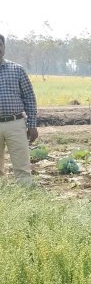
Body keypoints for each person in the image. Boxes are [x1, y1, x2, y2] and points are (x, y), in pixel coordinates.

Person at [0, 34, 38, 186]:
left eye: (0, 44)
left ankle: (26, 195)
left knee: (22, 166)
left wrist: (32, 125)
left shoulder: (17, 69)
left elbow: (29, 97)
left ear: (4, 47)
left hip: (15, 123)